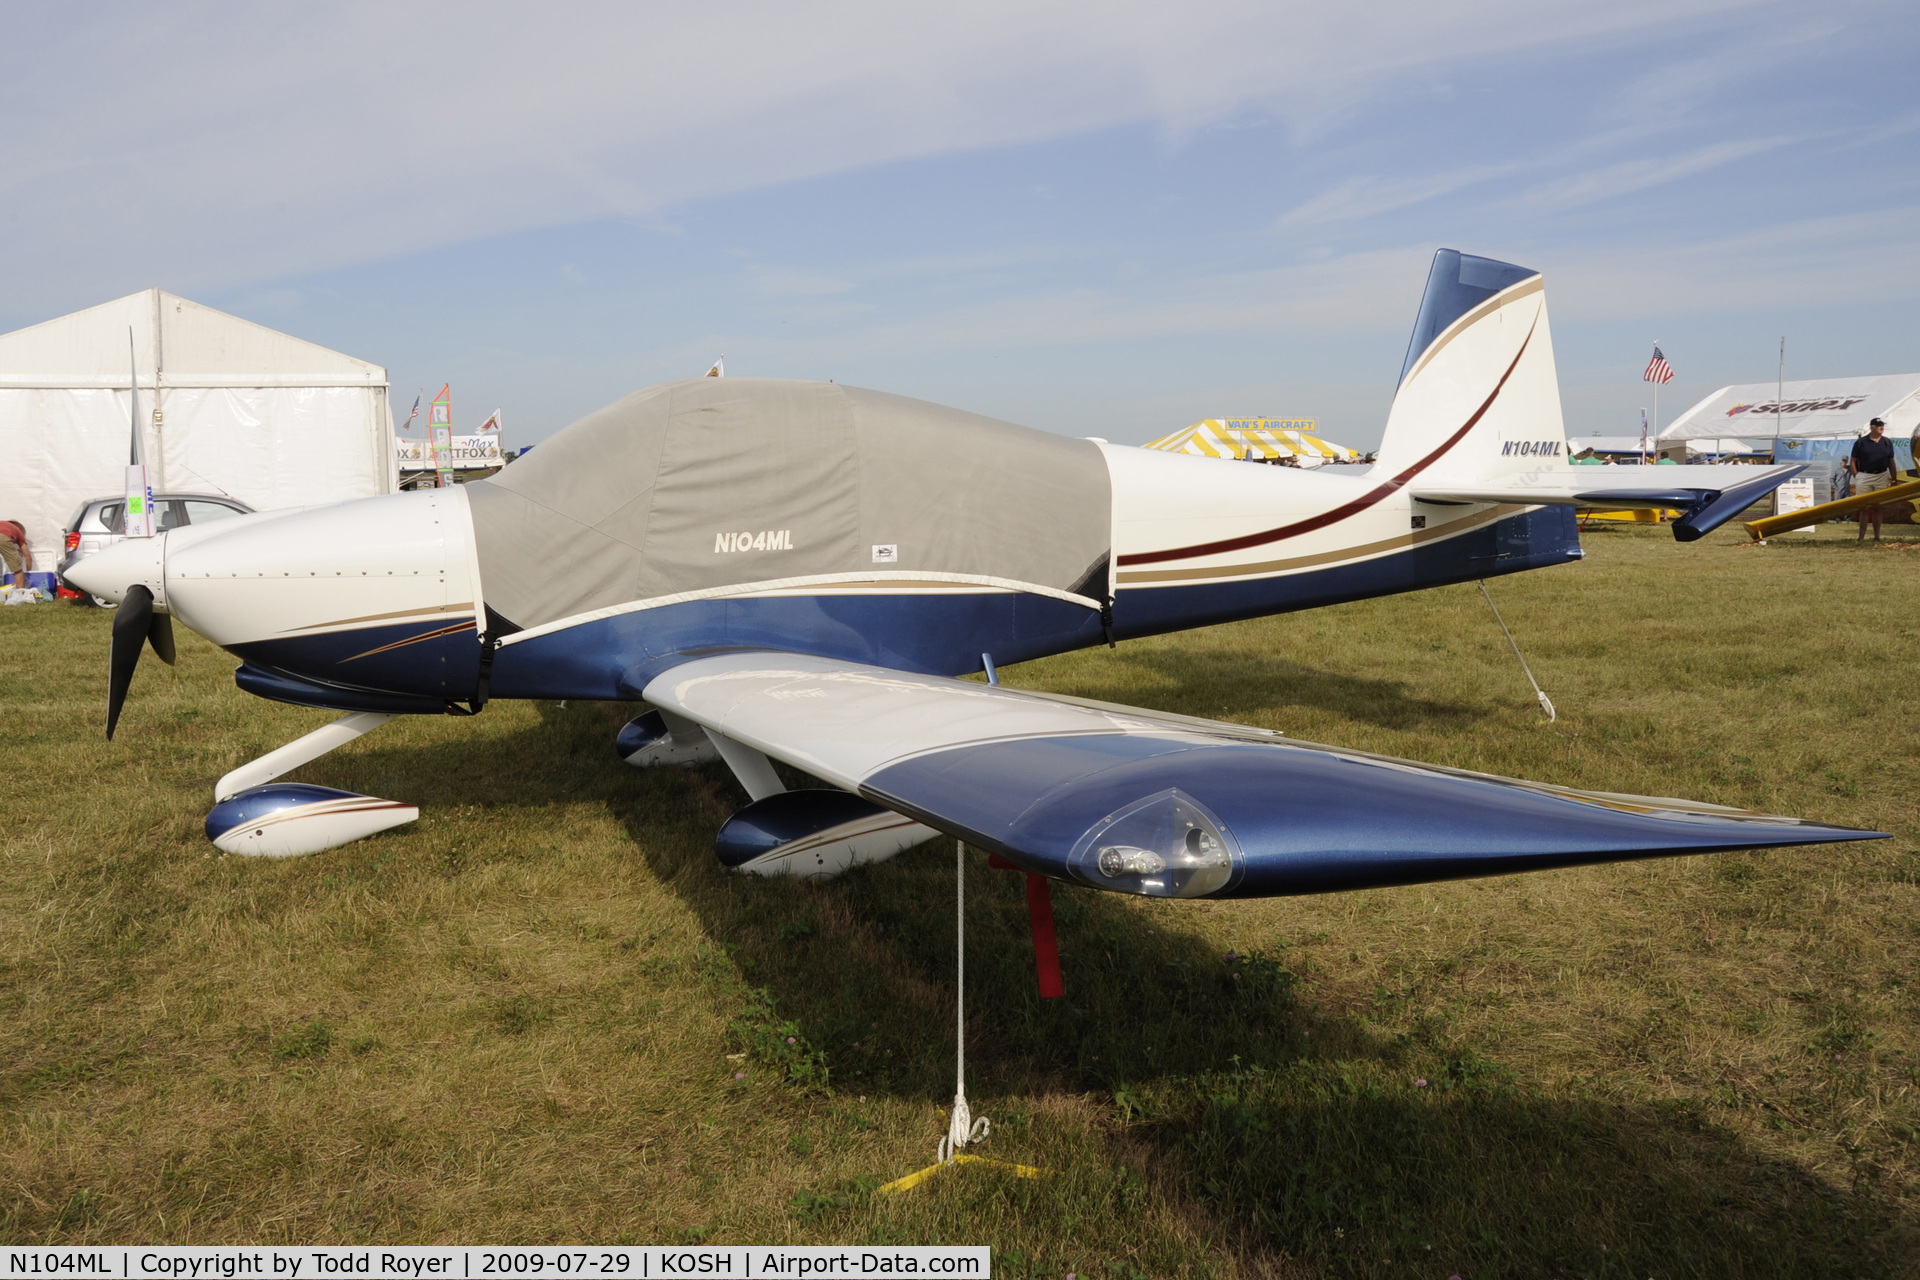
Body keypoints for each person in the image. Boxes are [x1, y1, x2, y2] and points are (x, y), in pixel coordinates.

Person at [1850, 417, 1898, 541]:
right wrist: (1857, 476)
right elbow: (1853, 461)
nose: (1881, 427)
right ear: (1871, 427)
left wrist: (1894, 479)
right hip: (1864, 476)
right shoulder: (1861, 442)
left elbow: (1891, 461)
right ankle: (1861, 537)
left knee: (1878, 507)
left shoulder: (1887, 442)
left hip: (1882, 476)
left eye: (1882, 425)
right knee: (1864, 508)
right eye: (1878, 425)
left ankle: (1877, 537)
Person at [0, 517, 36, 602]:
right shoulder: (18, 531)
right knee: (17, 567)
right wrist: (28, 571)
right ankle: (21, 594)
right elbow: (27, 555)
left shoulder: (3, 524)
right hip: (2, 538)